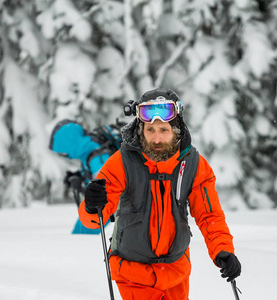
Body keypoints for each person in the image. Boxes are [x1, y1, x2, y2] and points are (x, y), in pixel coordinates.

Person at [79, 88, 241, 299]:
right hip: (132, 273)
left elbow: (209, 216)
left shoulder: (193, 164)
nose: (156, 138)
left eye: (163, 130)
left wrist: (223, 250)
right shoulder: (122, 162)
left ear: (176, 130)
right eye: (150, 130)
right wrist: (92, 205)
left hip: (176, 272)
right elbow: (94, 218)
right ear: (140, 129)